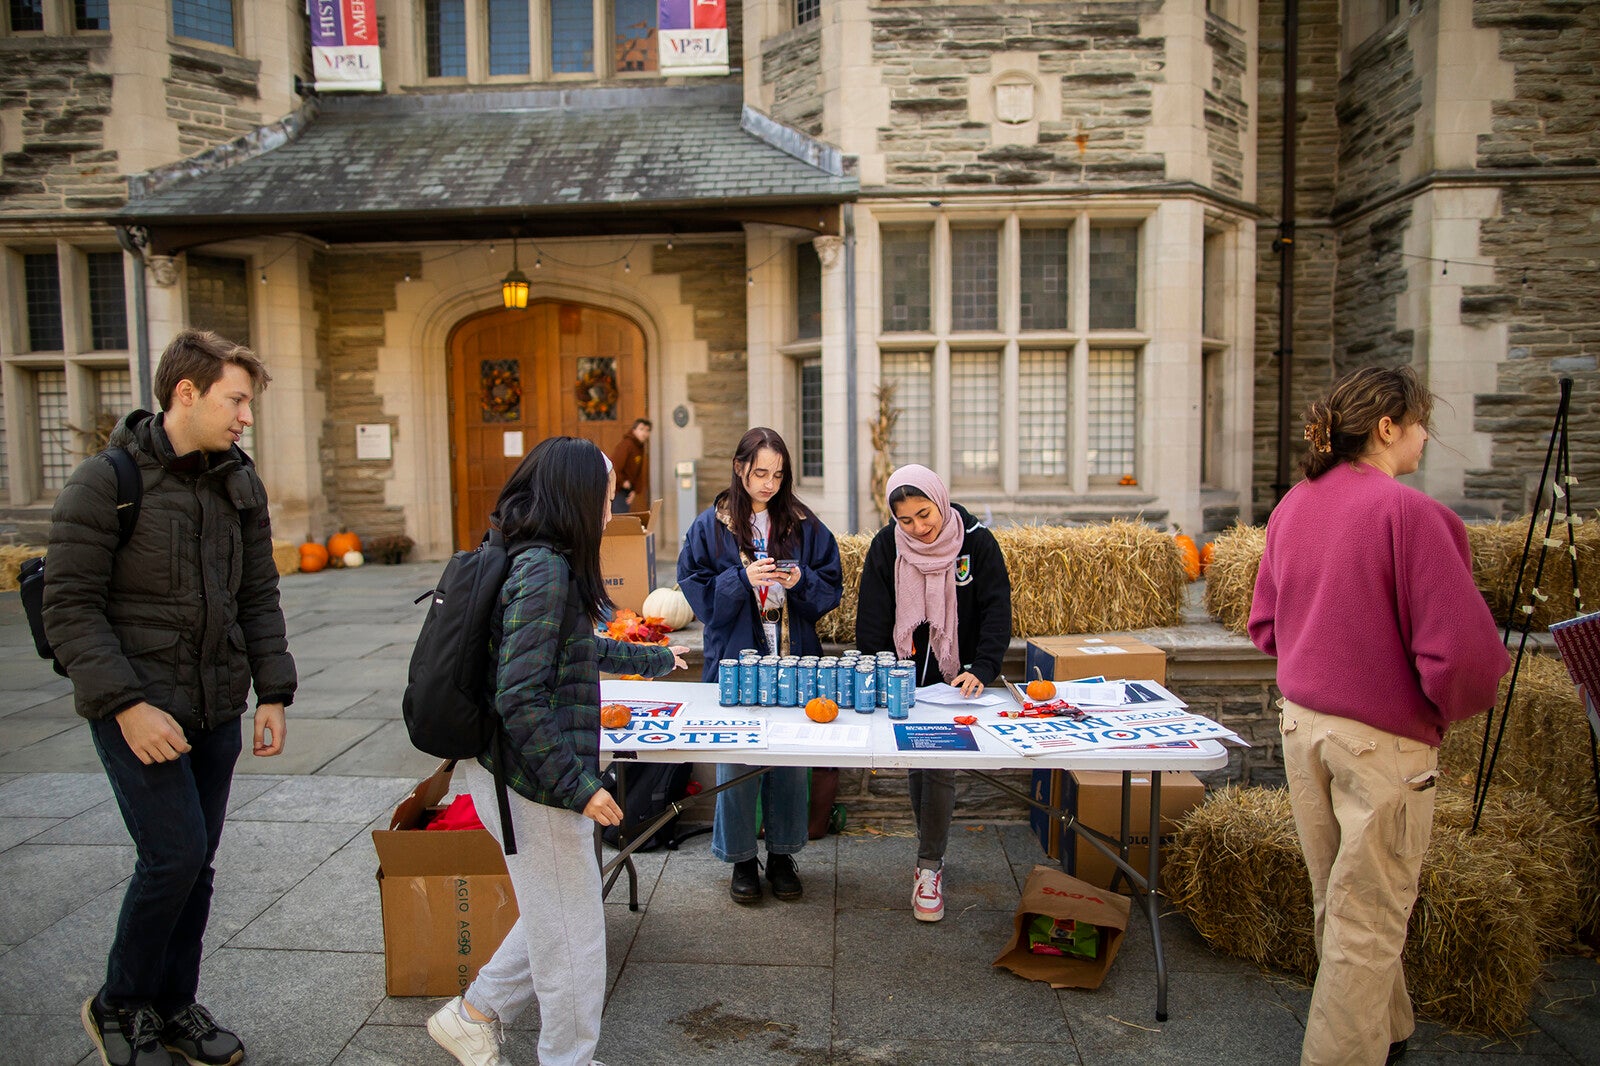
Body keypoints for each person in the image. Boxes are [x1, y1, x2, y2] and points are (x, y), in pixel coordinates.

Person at [43, 329, 296, 1066]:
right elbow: (70, 609)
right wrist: (126, 706)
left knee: (198, 860)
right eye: (236, 400)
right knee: (172, 854)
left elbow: (258, 593)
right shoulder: (105, 481)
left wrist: (272, 692)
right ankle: (120, 1004)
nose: (246, 416)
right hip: (140, 708)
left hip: (215, 704)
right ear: (186, 393)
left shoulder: (237, 480)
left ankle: (174, 1004)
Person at [1248, 366, 1510, 1066]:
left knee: (1341, 900)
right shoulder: (1413, 515)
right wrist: (1437, 710)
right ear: (1388, 427)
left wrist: (1315, 662)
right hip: (1381, 741)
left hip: (1303, 727)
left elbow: (1265, 623)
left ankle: (1387, 1031)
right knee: (1369, 915)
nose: (1426, 438)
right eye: (1421, 422)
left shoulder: (1294, 506)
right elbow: (1466, 660)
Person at [427, 437, 687, 1066]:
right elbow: (519, 696)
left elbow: (572, 652)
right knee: (573, 933)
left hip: (526, 779)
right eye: (606, 493)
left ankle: (472, 1015)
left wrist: (653, 658)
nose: (612, 505)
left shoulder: (542, 558)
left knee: (557, 914)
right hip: (533, 787)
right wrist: (581, 788)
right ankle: (567, 1059)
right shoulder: (543, 569)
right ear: (576, 495)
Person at [677, 427, 842, 904]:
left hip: (792, 658)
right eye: (760, 472)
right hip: (736, 658)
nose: (769, 483)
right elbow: (695, 590)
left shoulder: (804, 523)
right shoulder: (710, 525)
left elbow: (830, 584)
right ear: (739, 468)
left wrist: (800, 577)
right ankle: (742, 859)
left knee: (790, 759)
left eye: (778, 473)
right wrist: (740, 579)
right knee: (737, 759)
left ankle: (783, 855)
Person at [854, 465, 1011, 922]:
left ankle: (928, 867)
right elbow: (872, 615)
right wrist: (883, 670)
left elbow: (996, 609)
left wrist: (982, 667)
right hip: (904, 678)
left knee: (938, 764)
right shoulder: (888, 547)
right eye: (906, 521)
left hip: (956, 678)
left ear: (940, 501)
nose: (919, 529)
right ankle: (933, 854)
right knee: (917, 768)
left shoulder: (976, 542)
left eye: (925, 515)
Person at [608, 418, 652, 515]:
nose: (644, 433)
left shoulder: (640, 447)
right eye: (641, 429)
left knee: (622, 518)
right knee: (619, 520)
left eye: (647, 430)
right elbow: (613, 467)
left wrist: (635, 491)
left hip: (626, 491)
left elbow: (639, 473)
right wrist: (622, 481)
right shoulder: (626, 445)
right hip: (617, 489)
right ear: (634, 430)